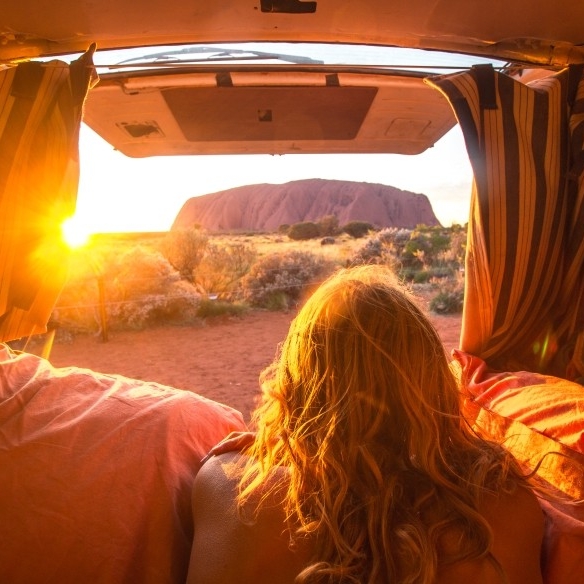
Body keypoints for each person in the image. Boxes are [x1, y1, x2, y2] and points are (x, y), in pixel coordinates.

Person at [187, 265, 544, 584]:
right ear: (433, 381)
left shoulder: (229, 486)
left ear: (297, 385)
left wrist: (273, 448)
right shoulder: (504, 508)